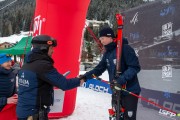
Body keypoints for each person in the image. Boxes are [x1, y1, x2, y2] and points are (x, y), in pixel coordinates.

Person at [16, 35, 85, 120]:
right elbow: (65, 84)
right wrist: (81, 79)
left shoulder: (27, 63)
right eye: (51, 48)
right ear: (43, 48)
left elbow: (35, 84)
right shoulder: (43, 65)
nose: (53, 51)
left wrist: (52, 82)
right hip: (34, 114)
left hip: (24, 111)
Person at [80, 27, 141, 120]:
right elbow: (99, 69)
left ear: (110, 37)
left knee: (128, 118)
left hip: (129, 90)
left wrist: (120, 80)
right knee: (116, 116)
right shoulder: (108, 53)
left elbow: (135, 67)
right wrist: (85, 77)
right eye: (100, 39)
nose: (101, 41)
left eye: (102, 38)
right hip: (116, 90)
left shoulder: (125, 48)